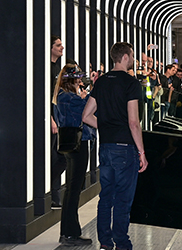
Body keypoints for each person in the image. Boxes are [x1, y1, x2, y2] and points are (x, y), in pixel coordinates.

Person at [81, 42, 148, 250]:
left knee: (106, 196)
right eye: (133, 56)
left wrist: (106, 126)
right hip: (125, 148)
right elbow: (133, 122)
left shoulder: (101, 82)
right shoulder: (131, 83)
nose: (135, 60)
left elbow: (86, 116)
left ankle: (105, 241)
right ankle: (121, 242)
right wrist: (142, 152)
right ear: (126, 57)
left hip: (106, 147)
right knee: (123, 199)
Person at [53, 64, 95, 246]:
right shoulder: (69, 97)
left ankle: (69, 232)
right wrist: (90, 94)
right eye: (77, 78)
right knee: (73, 190)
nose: (80, 81)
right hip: (78, 145)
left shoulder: (63, 96)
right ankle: (70, 233)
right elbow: (88, 111)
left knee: (72, 189)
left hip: (72, 145)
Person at [50, 35, 67, 209]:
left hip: (58, 115)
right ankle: (52, 195)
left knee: (60, 157)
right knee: (55, 156)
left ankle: (54, 192)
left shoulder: (57, 68)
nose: (62, 48)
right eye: (58, 45)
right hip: (51, 117)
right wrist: (51, 119)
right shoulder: (47, 68)